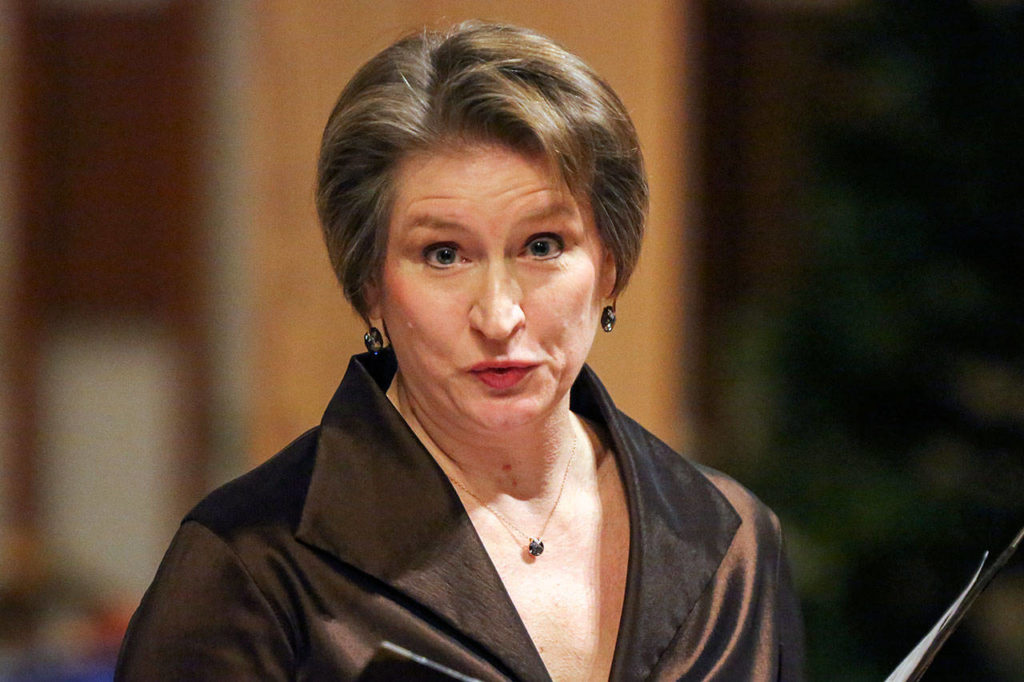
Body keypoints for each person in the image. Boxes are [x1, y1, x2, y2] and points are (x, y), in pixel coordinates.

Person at [115, 21, 804, 681]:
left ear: (611, 265)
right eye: (443, 254)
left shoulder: (729, 541)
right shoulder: (251, 563)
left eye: (543, 246)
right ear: (369, 286)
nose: (500, 316)